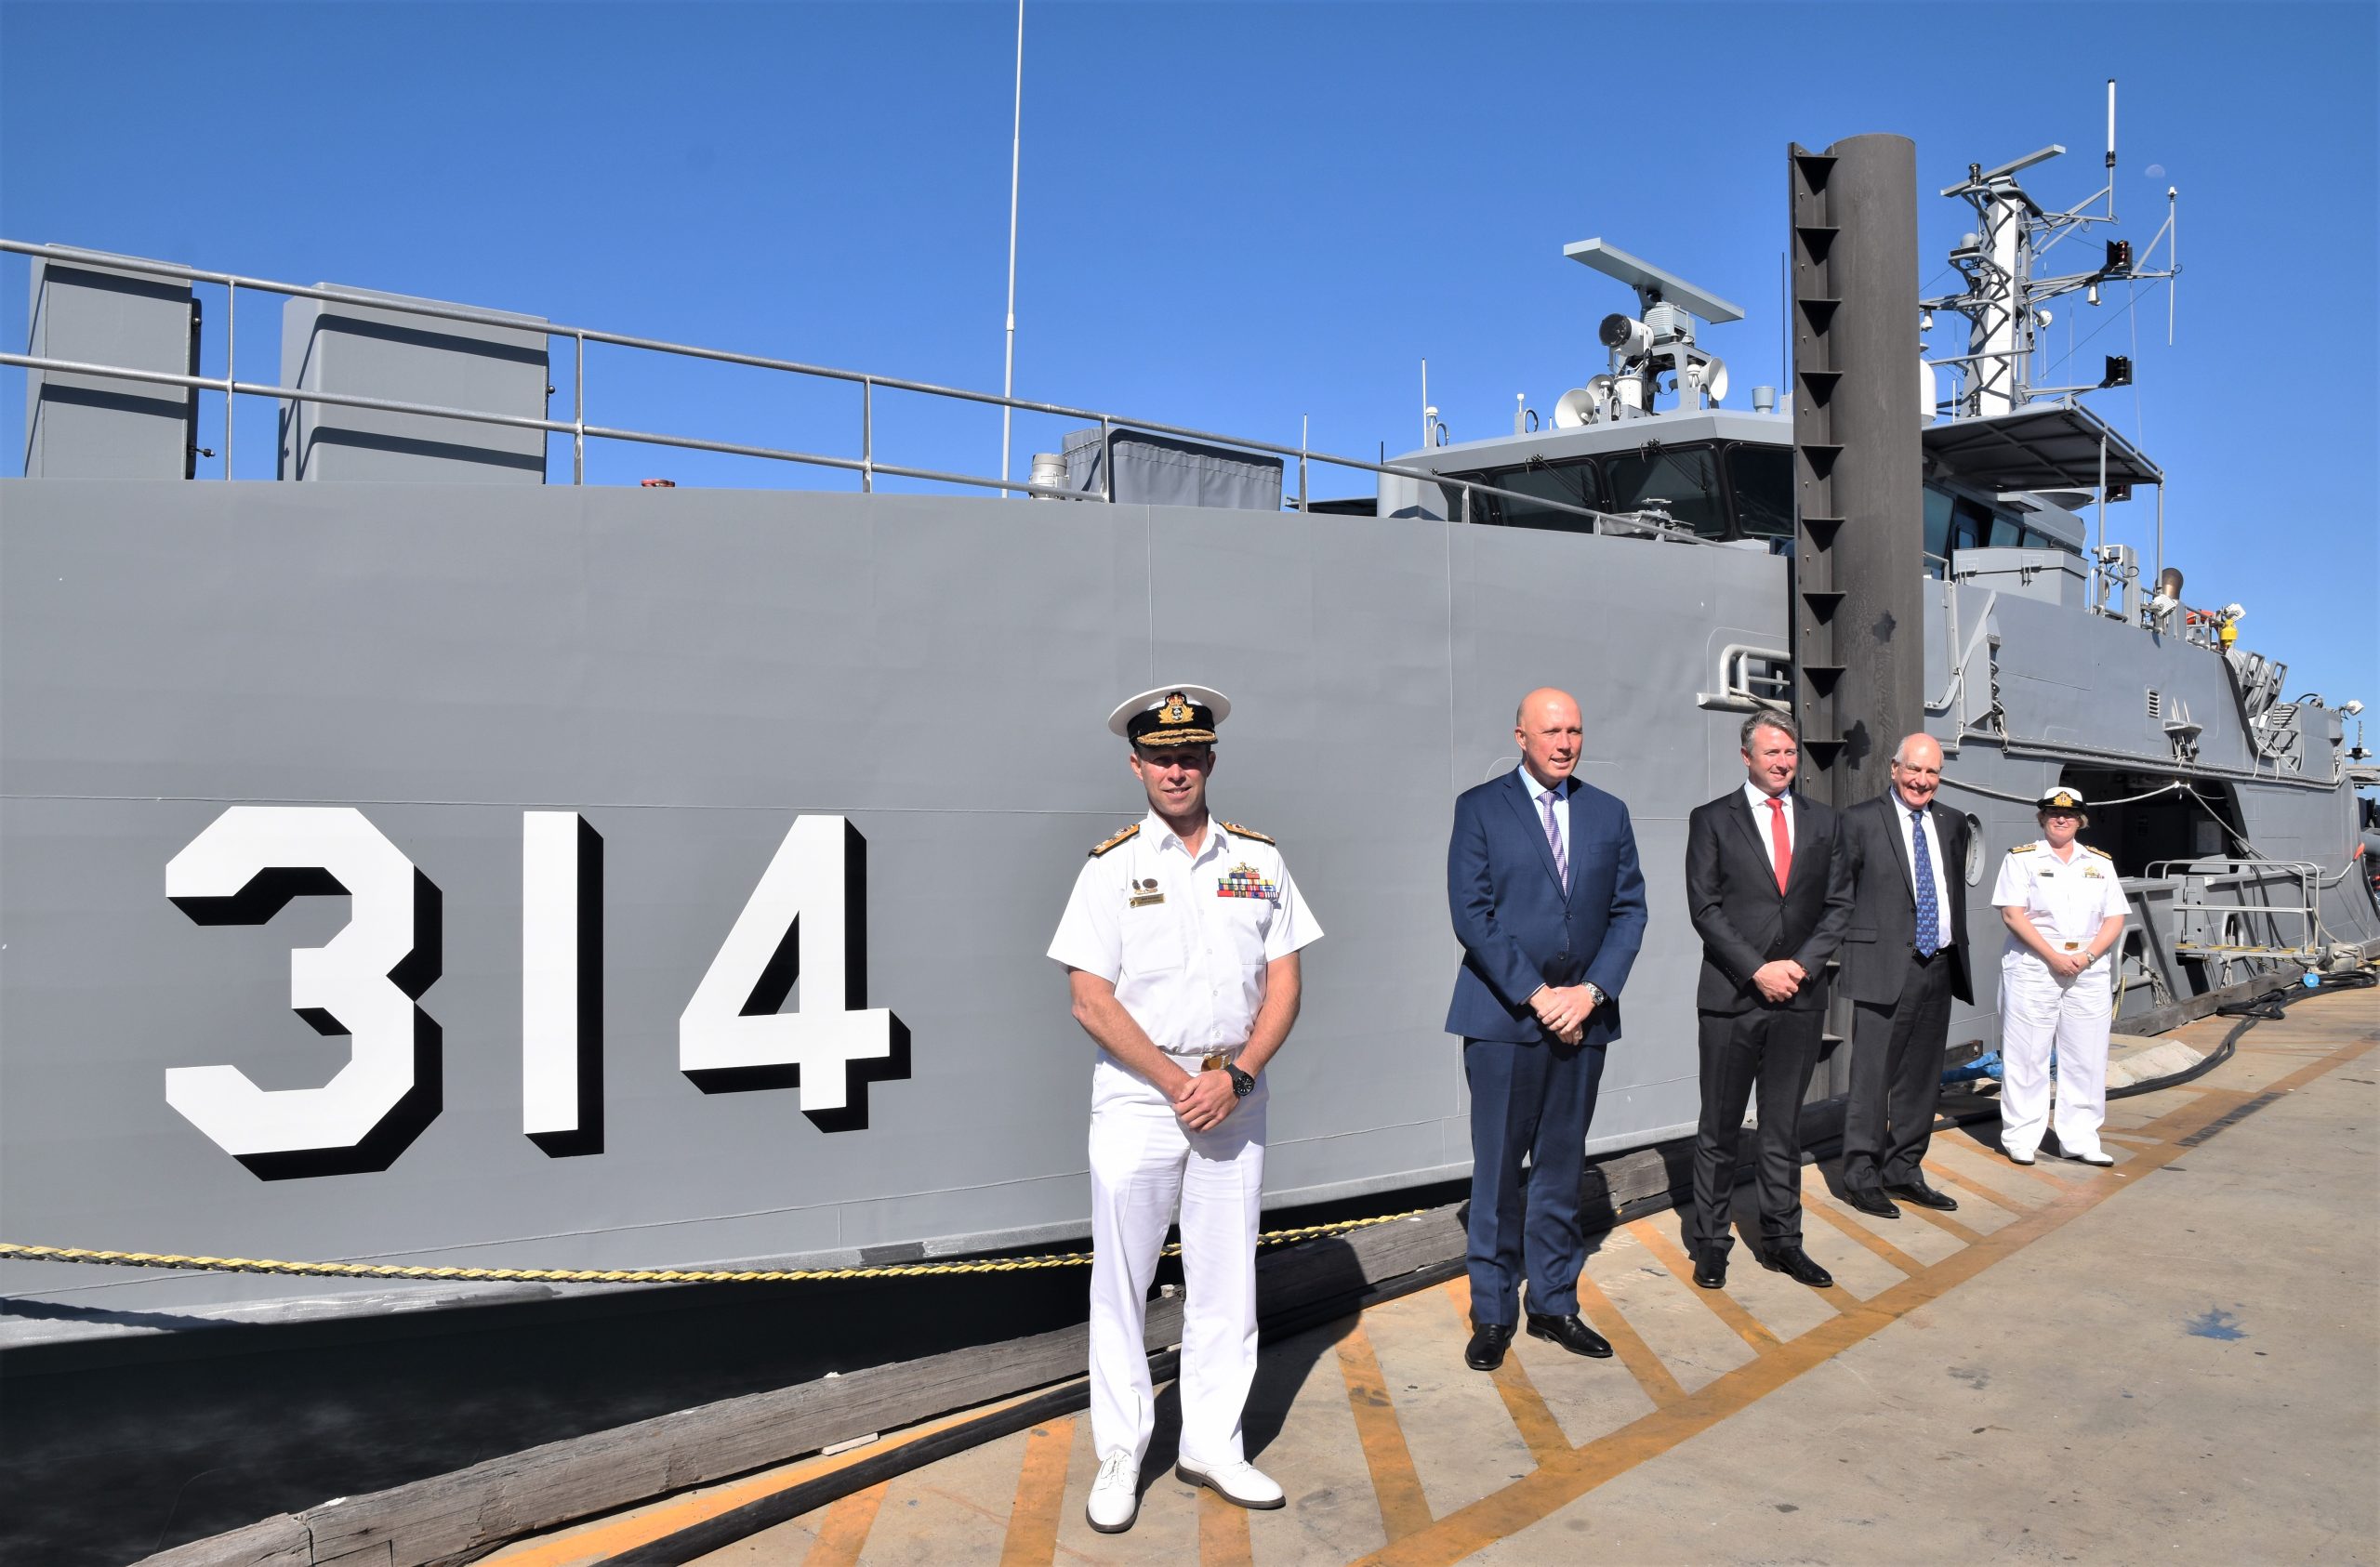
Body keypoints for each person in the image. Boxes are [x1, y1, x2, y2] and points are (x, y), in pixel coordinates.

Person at [1047, 685, 1321, 1534]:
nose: (1177, 769)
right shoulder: (1110, 867)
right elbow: (1089, 998)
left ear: (1210, 759)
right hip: (1142, 1099)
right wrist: (1177, 1084)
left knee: (1227, 1281)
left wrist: (1237, 1075)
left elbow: (1285, 983)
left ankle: (1212, 1445)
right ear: (1136, 766)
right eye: (1161, 757)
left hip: (1233, 1096)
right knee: (1121, 1285)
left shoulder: (1260, 861)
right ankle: (1122, 1452)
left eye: (1190, 754)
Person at [1445, 687, 1647, 1371]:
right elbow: (1472, 914)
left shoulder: (1607, 812)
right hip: (1504, 1021)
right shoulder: (1480, 808)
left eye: (1575, 731)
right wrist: (1538, 994)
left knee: (1561, 1169)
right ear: (1521, 737)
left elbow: (1629, 911)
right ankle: (1493, 1312)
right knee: (1498, 1172)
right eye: (1552, 731)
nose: (1565, 744)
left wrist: (1589, 993)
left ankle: (1555, 1304)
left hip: (1583, 1020)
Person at [1682, 711, 1855, 1290]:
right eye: (1771, 752)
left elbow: (1838, 905)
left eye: (1789, 752)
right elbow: (1705, 907)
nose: (1783, 762)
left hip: (1799, 997)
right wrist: (1757, 970)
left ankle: (1784, 1240)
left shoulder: (1824, 821)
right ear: (1746, 756)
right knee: (1720, 1127)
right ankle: (1711, 1242)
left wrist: (1801, 967)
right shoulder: (1712, 820)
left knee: (1783, 1128)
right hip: (1732, 996)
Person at [1836, 732, 1973, 1218]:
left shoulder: (1952, 823)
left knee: (1922, 1077)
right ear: (1894, 769)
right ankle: (1861, 1176)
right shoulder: (1858, 821)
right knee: (1872, 1078)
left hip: (1939, 963)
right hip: (1883, 966)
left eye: (1932, 772)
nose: (1922, 780)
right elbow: (1839, 894)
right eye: (1914, 769)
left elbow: (1950, 889)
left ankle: (1905, 1170)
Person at [1990, 786, 2127, 1166]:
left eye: (2068, 814)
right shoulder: (2021, 859)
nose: (2061, 818)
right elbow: (2012, 914)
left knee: (2087, 1056)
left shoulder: (2099, 863)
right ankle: (2021, 1137)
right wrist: (2053, 956)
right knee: (2026, 1055)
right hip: (2035, 964)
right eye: (2053, 813)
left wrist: (2086, 956)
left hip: (2088, 965)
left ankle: (2081, 1139)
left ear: (2080, 820)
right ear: (2043, 818)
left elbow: (2115, 917)